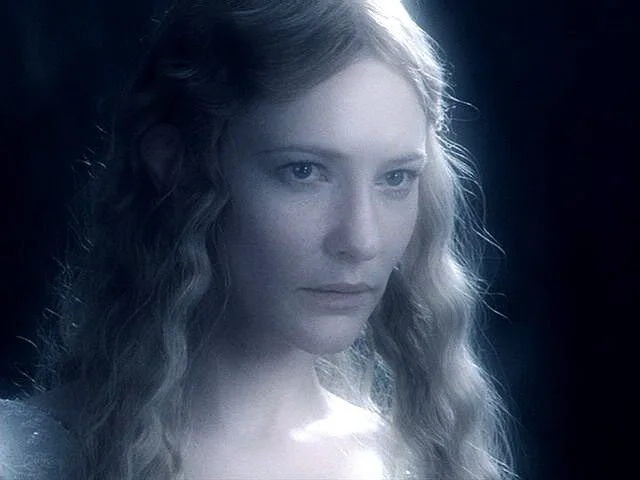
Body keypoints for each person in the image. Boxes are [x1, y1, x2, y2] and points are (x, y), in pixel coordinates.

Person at [0, 0, 516, 478]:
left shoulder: (419, 467)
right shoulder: (19, 456)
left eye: (396, 178)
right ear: (176, 165)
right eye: (304, 171)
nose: (361, 240)